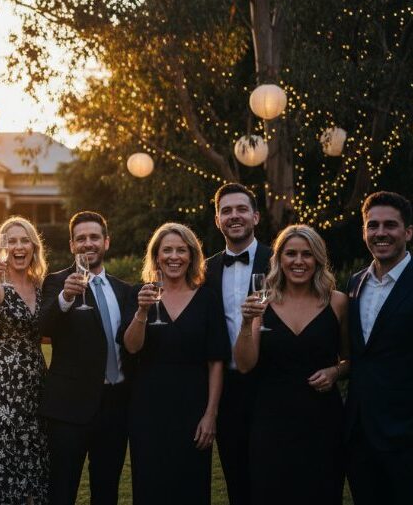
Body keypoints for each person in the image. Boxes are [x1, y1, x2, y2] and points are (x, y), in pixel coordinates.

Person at [234, 224, 348, 505]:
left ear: (318, 259)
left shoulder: (338, 303)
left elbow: (351, 360)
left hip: (323, 422)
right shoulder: (263, 302)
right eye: (291, 254)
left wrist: (335, 371)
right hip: (271, 423)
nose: (299, 261)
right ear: (279, 259)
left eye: (307, 254)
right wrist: (247, 322)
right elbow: (245, 364)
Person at [124, 223, 229, 505]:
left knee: (191, 488)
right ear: (156, 256)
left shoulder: (207, 299)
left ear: (191, 255)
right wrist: (142, 311)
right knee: (150, 488)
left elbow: (216, 362)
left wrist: (211, 414)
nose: (174, 256)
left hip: (193, 411)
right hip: (147, 411)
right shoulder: (140, 294)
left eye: (181, 250)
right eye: (166, 250)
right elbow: (132, 347)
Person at [39, 211, 134, 505]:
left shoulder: (124, 290)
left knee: (106, 490)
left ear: (106, 242)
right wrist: (65, 299)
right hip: (69, 408)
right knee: (62, 490)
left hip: (115, 408)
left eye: (94, 237)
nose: (87, 244)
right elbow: (41, 328)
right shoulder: (56, 283)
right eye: (81, 238)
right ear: (71, 245)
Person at [0, 216, 49, 504]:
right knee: (0, 463)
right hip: (0, 388)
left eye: (24, 240)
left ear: (33, 246)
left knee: (33, 461)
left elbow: (46, 331)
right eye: (11, 241)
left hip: (35, 386)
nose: (18, 246)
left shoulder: (40, 285)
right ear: (3, 249)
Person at [345, 191, 413, 505]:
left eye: (390, 225)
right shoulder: (354, 283)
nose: (381, 233)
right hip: (360, 435)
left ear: (408, 232)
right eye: (372, 226)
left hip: (407, 438)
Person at [203, 183, 271, 505]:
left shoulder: (279, 261)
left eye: (241, 209)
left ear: (255, 216)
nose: (234, 216)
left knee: (274, 477)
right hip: (226, 389)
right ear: (217, 219)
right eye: (226, 211)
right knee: (237, 480)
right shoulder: (206, 269)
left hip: (273, 385)